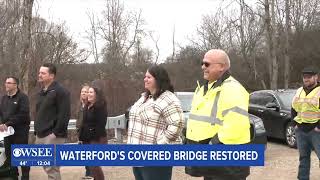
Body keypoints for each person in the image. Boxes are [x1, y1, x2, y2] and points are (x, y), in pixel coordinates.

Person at [184, 49, 251, 180]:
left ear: (221, 67)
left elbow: (235, 126)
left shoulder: (232, 88)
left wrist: (210, 147)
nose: (203, 67)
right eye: (202, 63)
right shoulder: (203, 88)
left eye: (207, 64)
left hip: (227, 164)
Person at [127, 65, 184, 180]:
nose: (145, 79)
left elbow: (177, 124)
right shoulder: (144, 97)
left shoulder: (168, 99)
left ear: (158, 79)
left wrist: (159, 144)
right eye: (145, 76)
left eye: (149, 77)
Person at [34, 63, 71, 180]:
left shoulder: (61, 91)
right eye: (39, 72)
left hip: (53, 135)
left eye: (43, 73)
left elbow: (64, 114)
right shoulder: (42, 92)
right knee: (45, 164)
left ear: (52, 76)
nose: (39, 75)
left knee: (52, 167)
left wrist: (55, 133)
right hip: (40, 134)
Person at [291, 66, 320, 180]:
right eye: (304, 77)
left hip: (316, 131)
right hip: (301, 131)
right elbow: (293, 108)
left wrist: (318, 127)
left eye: (309, 77)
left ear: (316, 77)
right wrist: (295, 124)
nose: (306, 79)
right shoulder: (299, 91)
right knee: (303, 158)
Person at [0, 76, 30, 180]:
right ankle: (13, 176)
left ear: (15, 85)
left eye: (9, 82)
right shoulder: (3, 98)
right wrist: (2, 124)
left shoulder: (23, 97)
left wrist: (8, 123)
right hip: (7, 134)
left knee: (22, 156)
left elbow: (23, 115)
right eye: (6, 82)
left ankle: (25, 176)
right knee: (10, 156)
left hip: (20, 133)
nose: (6, 84)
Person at [78, 86, 107, 180]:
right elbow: (84, 123)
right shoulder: (87, 106)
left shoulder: (100, 107)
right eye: (88, 92)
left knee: (95, 165)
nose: (88, 94)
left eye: (91, 92)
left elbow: (101, 125)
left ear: (96, 95)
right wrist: (81, 138)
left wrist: (93, 140)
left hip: (97, 139)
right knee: (90, 166)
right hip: (86, 139)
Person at [76, 84, 92, 178]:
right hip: (81, 134)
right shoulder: (80, 105)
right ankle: (89, 173)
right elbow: (78, 120)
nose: (83, 93)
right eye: (82, 91)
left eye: (85, 92)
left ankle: (90, 174)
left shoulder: (90, 105)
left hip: (89, 135)